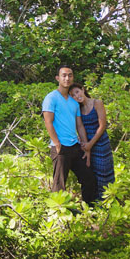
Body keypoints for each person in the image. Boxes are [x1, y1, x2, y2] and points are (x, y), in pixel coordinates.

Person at [41, 66, 98, 204]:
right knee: (60, 185)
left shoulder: (73, 102)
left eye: (70, 75)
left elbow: (79, 125)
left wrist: (86, 147)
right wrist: (57, 144)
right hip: (60, 148)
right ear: (58, 78)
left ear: (73, 78)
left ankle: (89, 210)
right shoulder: (51, 98)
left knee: (88, 178)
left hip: (76, 147)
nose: (67, 78)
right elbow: (48, 122)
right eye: (64, 75)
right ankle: (58, 216)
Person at [70, 83, 115, 200]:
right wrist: (86, 144)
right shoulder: (78, 109)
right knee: (92, 174)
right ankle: (95, 203)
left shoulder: (97, 103)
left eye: (77, 92)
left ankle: (107, 201)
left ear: (83, 90)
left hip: (100, 143)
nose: (77, 96)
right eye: (73, 96)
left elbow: (102, 125)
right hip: (87, 144)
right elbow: (79, 127)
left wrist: (91, 144)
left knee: (104, 173)